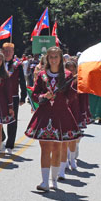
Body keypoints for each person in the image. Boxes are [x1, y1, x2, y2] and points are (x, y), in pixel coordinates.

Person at [25, 46, 81, 191]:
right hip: (44, 114)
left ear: (61, 59)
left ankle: (53, 180)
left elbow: (71, 96)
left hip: (60, 114)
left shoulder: (68, 76)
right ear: (47, 59)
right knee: (44, 147)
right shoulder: (42, 75)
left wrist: (75, 86)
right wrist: (43, 97)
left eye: (56, 57)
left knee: (57, 147)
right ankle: (44, 181)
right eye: (51, 57)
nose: (54, 59)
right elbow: (35, 94)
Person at [2, 43, 27, 154]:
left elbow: (22, 81)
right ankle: (1, 137)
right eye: (5, 50)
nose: (7, 53)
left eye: (10, 51)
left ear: (13, 52)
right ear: (2, 51)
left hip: (13, 96)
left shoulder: (18, 65)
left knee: (12, 121)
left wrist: (23, 96)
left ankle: (10, 145)